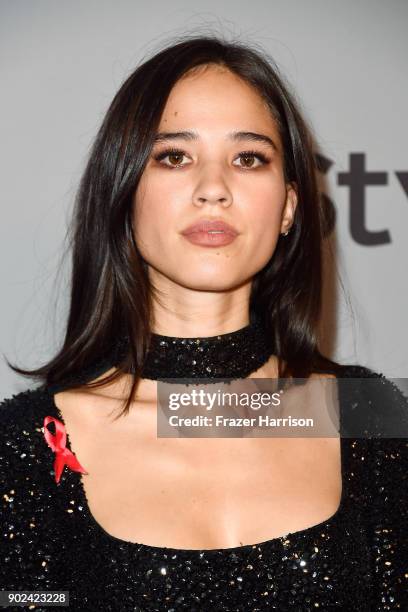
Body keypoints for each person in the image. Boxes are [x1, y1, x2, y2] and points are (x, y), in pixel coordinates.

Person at [1, 34, 407, 611]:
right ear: (124, 193)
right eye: (173, 156)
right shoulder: (31, 445)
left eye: (249, 158)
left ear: (290, 205)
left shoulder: (366, 413)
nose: (213, 189)